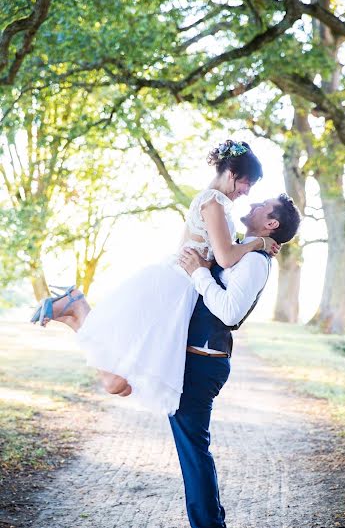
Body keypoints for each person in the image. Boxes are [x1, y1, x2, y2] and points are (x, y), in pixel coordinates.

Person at [30, 140, 280, 416]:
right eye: (248, 183)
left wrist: (255, 246)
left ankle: (75, 312)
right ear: (232, 174)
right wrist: (259, 244)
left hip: (181, 292)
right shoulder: (213, 202)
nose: (247, 192)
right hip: (170, 289)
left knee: (120, 384)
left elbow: (223, 257)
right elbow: (225, 257)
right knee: (117, 382)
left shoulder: (215, 202)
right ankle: (76, 307)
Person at [159, 193, 301, 528]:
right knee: (193, 450)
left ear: (271, 223)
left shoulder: (255, 263)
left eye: (261, 206)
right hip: (196, 359)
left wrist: (199, 274)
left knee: (194, 452)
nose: (251, 206)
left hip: (203, 363)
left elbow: (229, 312)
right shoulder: (245, 251)